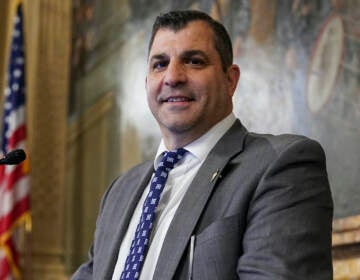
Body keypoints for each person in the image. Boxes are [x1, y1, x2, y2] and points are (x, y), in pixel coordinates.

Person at [72, 10, 333, 280]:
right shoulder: (119, 193)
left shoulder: (282, 165)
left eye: (194, 61)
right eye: (159, 64)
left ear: (230, 80)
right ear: (147, 83)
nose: (173, 77)